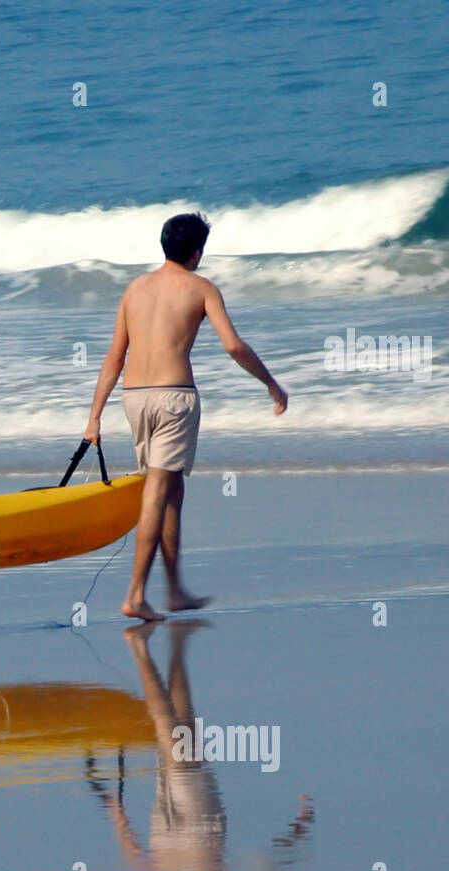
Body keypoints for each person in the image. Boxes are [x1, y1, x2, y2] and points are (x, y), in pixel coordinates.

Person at [83, 213, 288, 621]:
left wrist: (94, 418)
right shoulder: (201, 288)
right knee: (158, 494)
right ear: (196, 253)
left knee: (170, 493)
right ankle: (136, 595)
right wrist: (271, 384)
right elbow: (233, 346)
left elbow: (114, 357)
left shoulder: (134, 289)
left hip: (134, 399)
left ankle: (174, 591)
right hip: (175, 399)